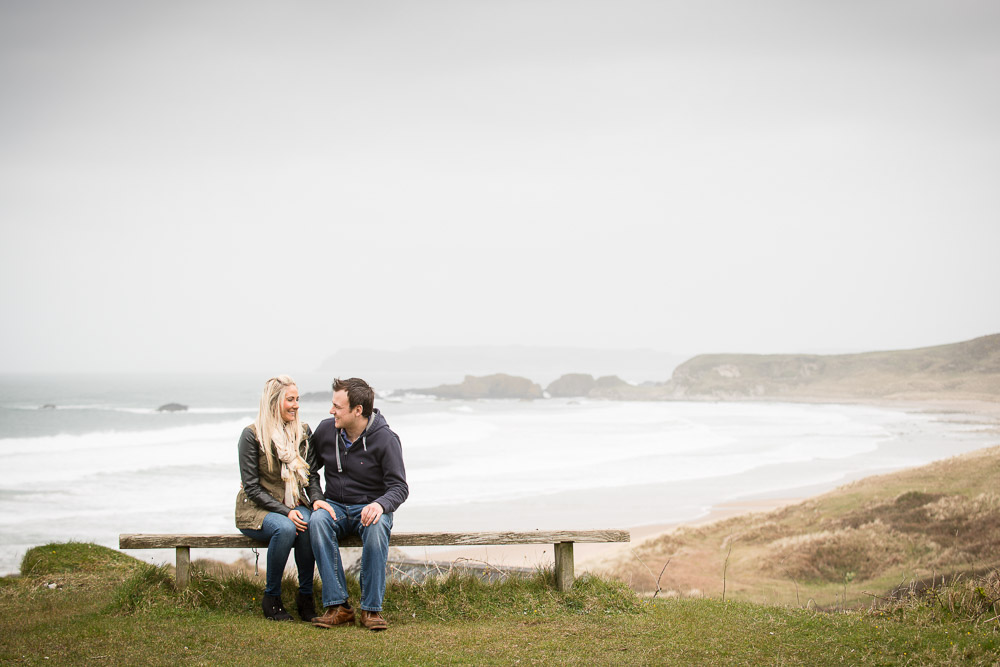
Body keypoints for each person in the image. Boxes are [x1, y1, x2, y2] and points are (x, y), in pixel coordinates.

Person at [309, 377, 408, 631]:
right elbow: (309, 471)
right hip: (335, 506)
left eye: (337, 407)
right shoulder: (325, 431)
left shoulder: (386, 439)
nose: (331, 411)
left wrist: (380, 505)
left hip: (370, 508)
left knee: (377, 526)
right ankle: (338, 606)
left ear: (358, 410)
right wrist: (317, 498)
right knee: (317, 520)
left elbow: (399, 487)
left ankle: (371, 610)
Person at [235, 375, 321, 622]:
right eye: (290, 400)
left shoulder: (303, 432)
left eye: (297, 399)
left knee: (308, 524)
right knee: (285, 528)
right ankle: (271, 597)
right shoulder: (251, 435)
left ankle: (305, 596)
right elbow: (252, 488)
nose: (296, 405)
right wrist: (286, 512)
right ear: (273, 402)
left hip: (294, 502)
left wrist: (316, 500)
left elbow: (312, 475)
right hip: (257, 508)